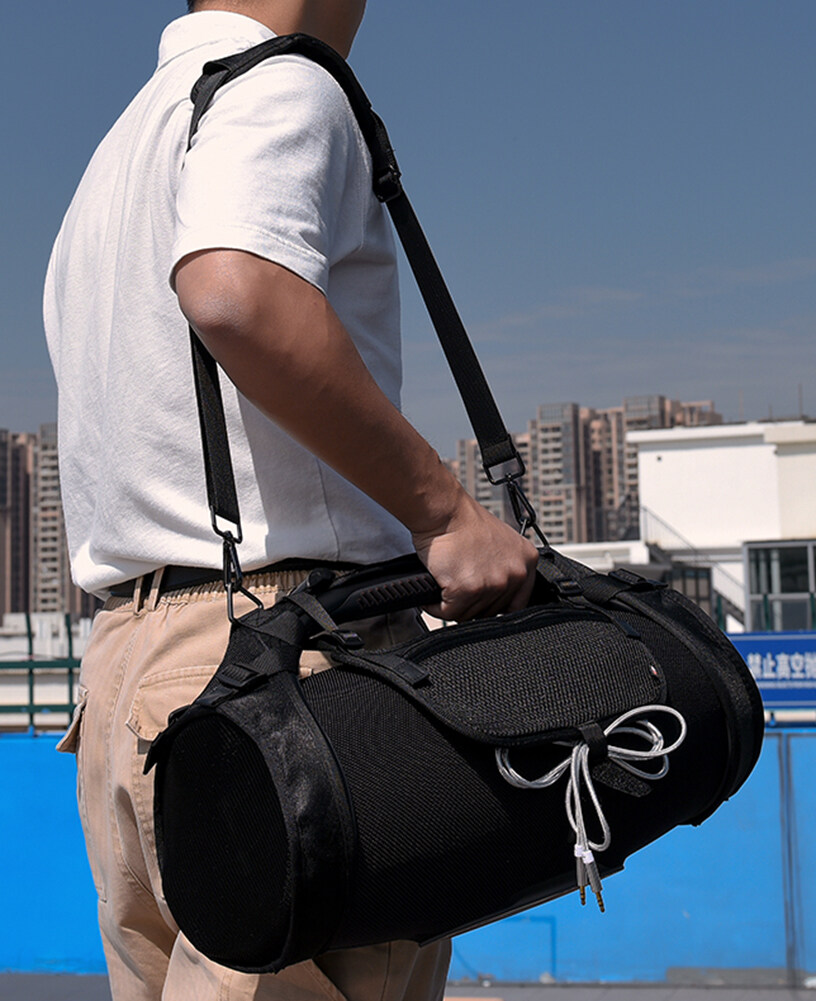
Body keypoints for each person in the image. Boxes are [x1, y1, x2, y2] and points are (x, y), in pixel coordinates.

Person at [43, 1, 538, 999]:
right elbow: (234, 290)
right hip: (288, 653)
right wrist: (445, 512)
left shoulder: (124, 147)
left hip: (130, 670)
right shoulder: (283, 83)